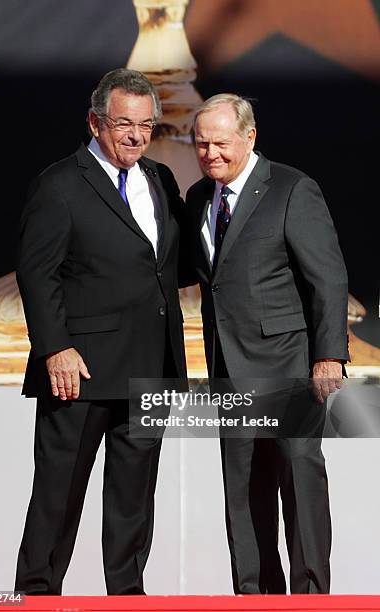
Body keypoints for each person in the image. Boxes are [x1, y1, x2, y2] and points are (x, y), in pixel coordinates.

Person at [14, 68, 187, 595]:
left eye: (146, 124)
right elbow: (36, 272)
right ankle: (37, 595)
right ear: (95, 122)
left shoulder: (159, 179)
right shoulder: (60, 183)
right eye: (122, 123)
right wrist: (56, 348)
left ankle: (127, 597)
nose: (135, 135)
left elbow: (171, 265)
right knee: (58, 492)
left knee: (134, 494)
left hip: (150, 364)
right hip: (80, 369)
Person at [185, 93, 349, 594]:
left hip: (289, 366)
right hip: (229, 369)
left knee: (299, 478)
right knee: (243, 490)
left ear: (249, 137)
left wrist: (328, 355)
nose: (211, 154)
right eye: (201, 144)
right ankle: (255, 597)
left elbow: (328, 278)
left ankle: (311, 596)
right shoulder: (197, 198)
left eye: (221, 143)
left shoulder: (292, 189)